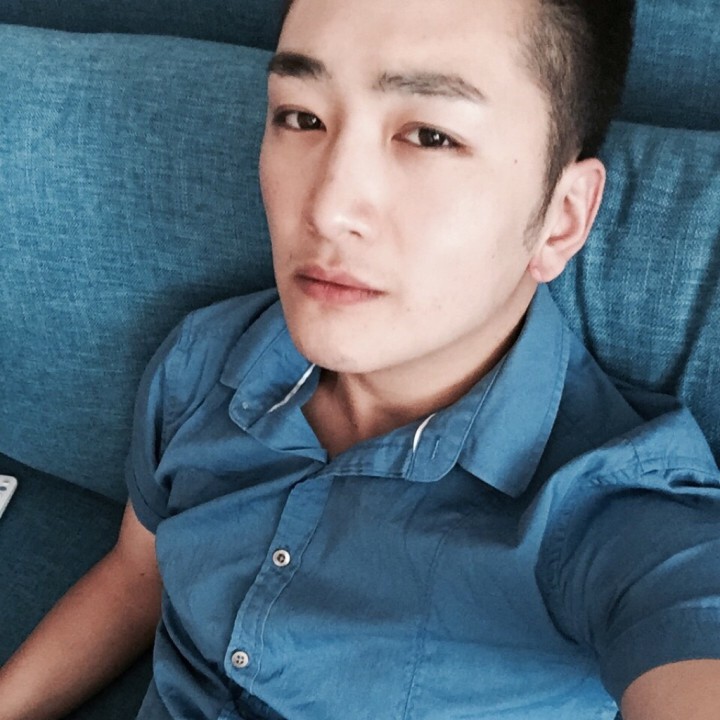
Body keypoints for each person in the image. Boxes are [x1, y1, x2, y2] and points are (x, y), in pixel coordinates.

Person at [2, 0, 720, 718]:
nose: (325, 209)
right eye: (301, 117)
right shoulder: (206, 360)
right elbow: (138, 575)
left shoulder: (621, 513)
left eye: (430, 136)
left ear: (561, 218)